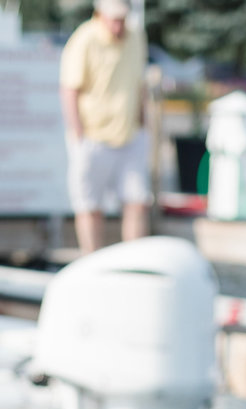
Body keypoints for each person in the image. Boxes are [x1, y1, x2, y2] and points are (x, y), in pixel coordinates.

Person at [59, 0, 150, 255]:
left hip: (128, 134)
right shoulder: (84, 40)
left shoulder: (135, 37)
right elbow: (70, 89)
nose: (118, 24)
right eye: (114, 18)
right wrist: (78, 133)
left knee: (137, 202)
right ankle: (91, 258)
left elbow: (139, 83)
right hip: (93, 136)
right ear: (100, 14)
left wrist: (144, 124)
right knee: (89, 205)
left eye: (122, 18)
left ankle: (135, 260)